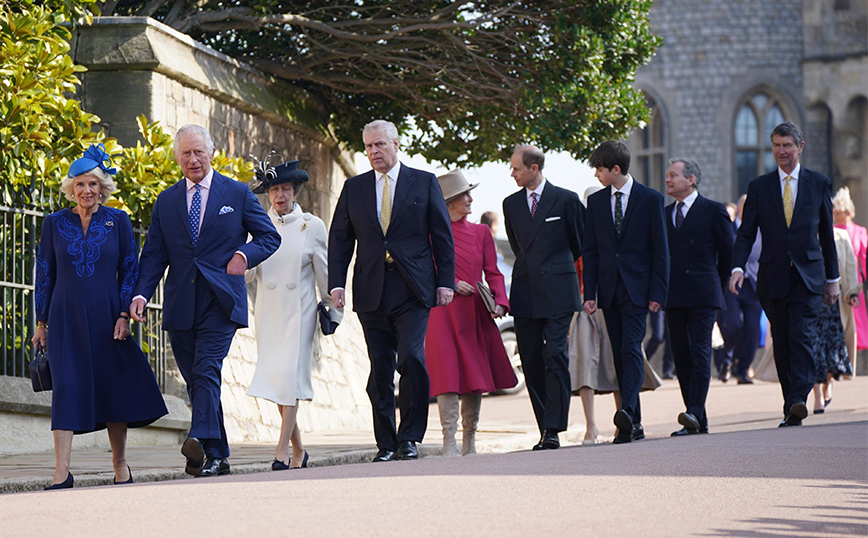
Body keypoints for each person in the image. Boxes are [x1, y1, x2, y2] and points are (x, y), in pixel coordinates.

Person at [131, 125, 281, 477]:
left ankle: (197, 438)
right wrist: (140, 292)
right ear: (177, 158)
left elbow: (269, 236)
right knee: (198, 380)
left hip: (221, 300)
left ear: (211, 152)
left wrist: (244, 254)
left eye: (199, 152)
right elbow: (154, 255)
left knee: (206, 369)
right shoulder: (167, 201)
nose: (193, 159)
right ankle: (218, 454)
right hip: (181, 302)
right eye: (186, 153)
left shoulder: (237, 193)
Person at [32, 144, 168, 489]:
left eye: (93, 184)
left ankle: (120, 465)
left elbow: (129, 268)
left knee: (112, 388)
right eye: (80, 184)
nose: (86, 191)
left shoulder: (118, 220)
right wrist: (41, 321)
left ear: (102, 188)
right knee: (66, 388)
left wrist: (124, 313)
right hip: (65, 318)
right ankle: (61, 472)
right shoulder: (53, 223)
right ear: (71, 189)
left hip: (109, 316)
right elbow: (44, 273)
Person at [328, 120, 455, 462]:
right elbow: (340, 238)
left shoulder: (424, 183)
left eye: (380, 145)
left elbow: (442, 236)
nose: (373, 152)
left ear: (396, 144)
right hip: (371, 288)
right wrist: (336, 283)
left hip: (412, 288)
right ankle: (386, 442)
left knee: (412, 358)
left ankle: (410, 437)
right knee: (380, 368)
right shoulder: (354, 189)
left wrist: (445, 281)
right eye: (368, 146)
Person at [729, 121, 839, 428]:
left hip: (809, 276)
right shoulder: (759, 187)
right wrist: (737, 268)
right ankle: (791, 403)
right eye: (776, 145)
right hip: (772, 276)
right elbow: (746, 234)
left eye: (787, 145)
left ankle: (798, 400)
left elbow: (827, 235)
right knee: (784, 340)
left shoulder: (818, 183)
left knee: (802, 335)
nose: (781, 151)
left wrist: (833, 279)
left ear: (800, 147)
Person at [246, 159, 342, 470]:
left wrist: (334, 308)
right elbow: (247, 272)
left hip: (300, 312)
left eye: (285, 188)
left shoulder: (312, 225)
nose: (280, 195)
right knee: (277, 382)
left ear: (295, 191)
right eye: (274, 189)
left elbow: (324, 273)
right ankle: (298, 449)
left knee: (289, 378)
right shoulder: (260, 225)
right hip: (269, 312)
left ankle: (280, 451)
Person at [425, 170, 517, 457]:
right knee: (447, 376)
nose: (470, 198)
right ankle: (448, 442)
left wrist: (500, 301)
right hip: (443, 312)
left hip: (475, 313)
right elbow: (425, 270)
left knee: (474, 378)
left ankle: (470, 442)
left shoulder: (480, 233)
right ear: (449, 202)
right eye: (464, 194)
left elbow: (494, 272)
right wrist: (450, 283)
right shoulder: (430, 232)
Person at [583, 140, 669, 444]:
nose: (596, 175)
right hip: (608, 290)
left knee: (632, 347)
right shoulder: (595, 202)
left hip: (639, 289)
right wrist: (589, 293)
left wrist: (659, 291)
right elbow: (590, 251)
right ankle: (636, 423)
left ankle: (628, 412)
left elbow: (661, 250)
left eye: (599, 169)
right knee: (620, 353)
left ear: (615, 169)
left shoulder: (650, 199)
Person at [502, 145, 584, 451]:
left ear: (534, 169)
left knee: (556, 355)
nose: (512, 173)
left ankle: (553, 428)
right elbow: (517, 245)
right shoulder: (510, 205)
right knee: (532, 359)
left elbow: (579, 245)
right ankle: (543, 427)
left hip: (560, 292)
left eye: (516, 168)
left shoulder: (567, 200)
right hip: (525, 292)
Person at [663, 158, 734, 436]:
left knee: (700, 351)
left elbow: (727, 254)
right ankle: (697, 418)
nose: (667, 179)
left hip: (703, 292)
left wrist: (715, 281)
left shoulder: (714, 210)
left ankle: (693, 412)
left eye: (673, 175)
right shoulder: (664, 212)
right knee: (681, 355)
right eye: (667, 175)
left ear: (690, 180)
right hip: (673, 293)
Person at [715, 194, 763, 384]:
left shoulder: (762, 229)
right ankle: (729, 352)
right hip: (731, 284)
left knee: (752, 329)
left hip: (754, 285)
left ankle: (742, 369)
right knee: (734, 325)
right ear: (740, 208)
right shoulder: (729, 227)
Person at [810, 226, 858, 413]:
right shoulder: (803, 229)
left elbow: (850, 265)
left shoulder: (841, 235)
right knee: (813, 347)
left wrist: (853, 291)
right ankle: (817, 396)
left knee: (832, 349)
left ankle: (827, 381)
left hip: (834, 300)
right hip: (810, 299)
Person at [833, 186, 867, 374]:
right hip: (837, 280)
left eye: (843, 213)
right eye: (836, 213)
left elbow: (863, 257)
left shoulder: (860, 231)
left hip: (854, 282)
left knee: (856, 324)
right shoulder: (831, 230)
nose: (839, 216)